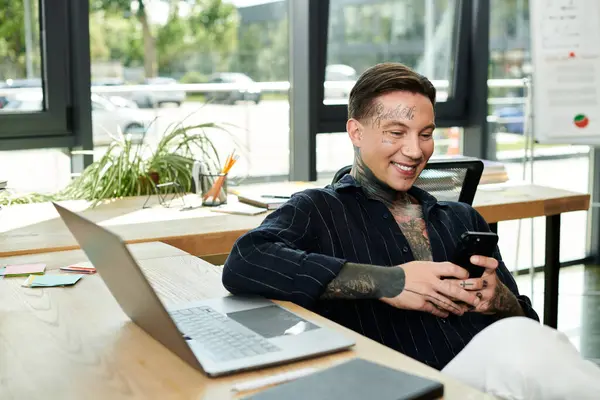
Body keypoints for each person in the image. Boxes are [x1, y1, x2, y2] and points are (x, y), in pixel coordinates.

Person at [222, 63, 600, 399]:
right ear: (356, 131)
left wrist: (500, 300)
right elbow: (246, 260)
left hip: (492, 380)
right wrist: (389, 283)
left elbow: (527, 324)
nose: (415, 150)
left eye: (425, 133)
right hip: (404, 385)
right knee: (520, 345)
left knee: (531, 343)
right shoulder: (319, 209)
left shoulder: (461, 217)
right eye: (396, 132)